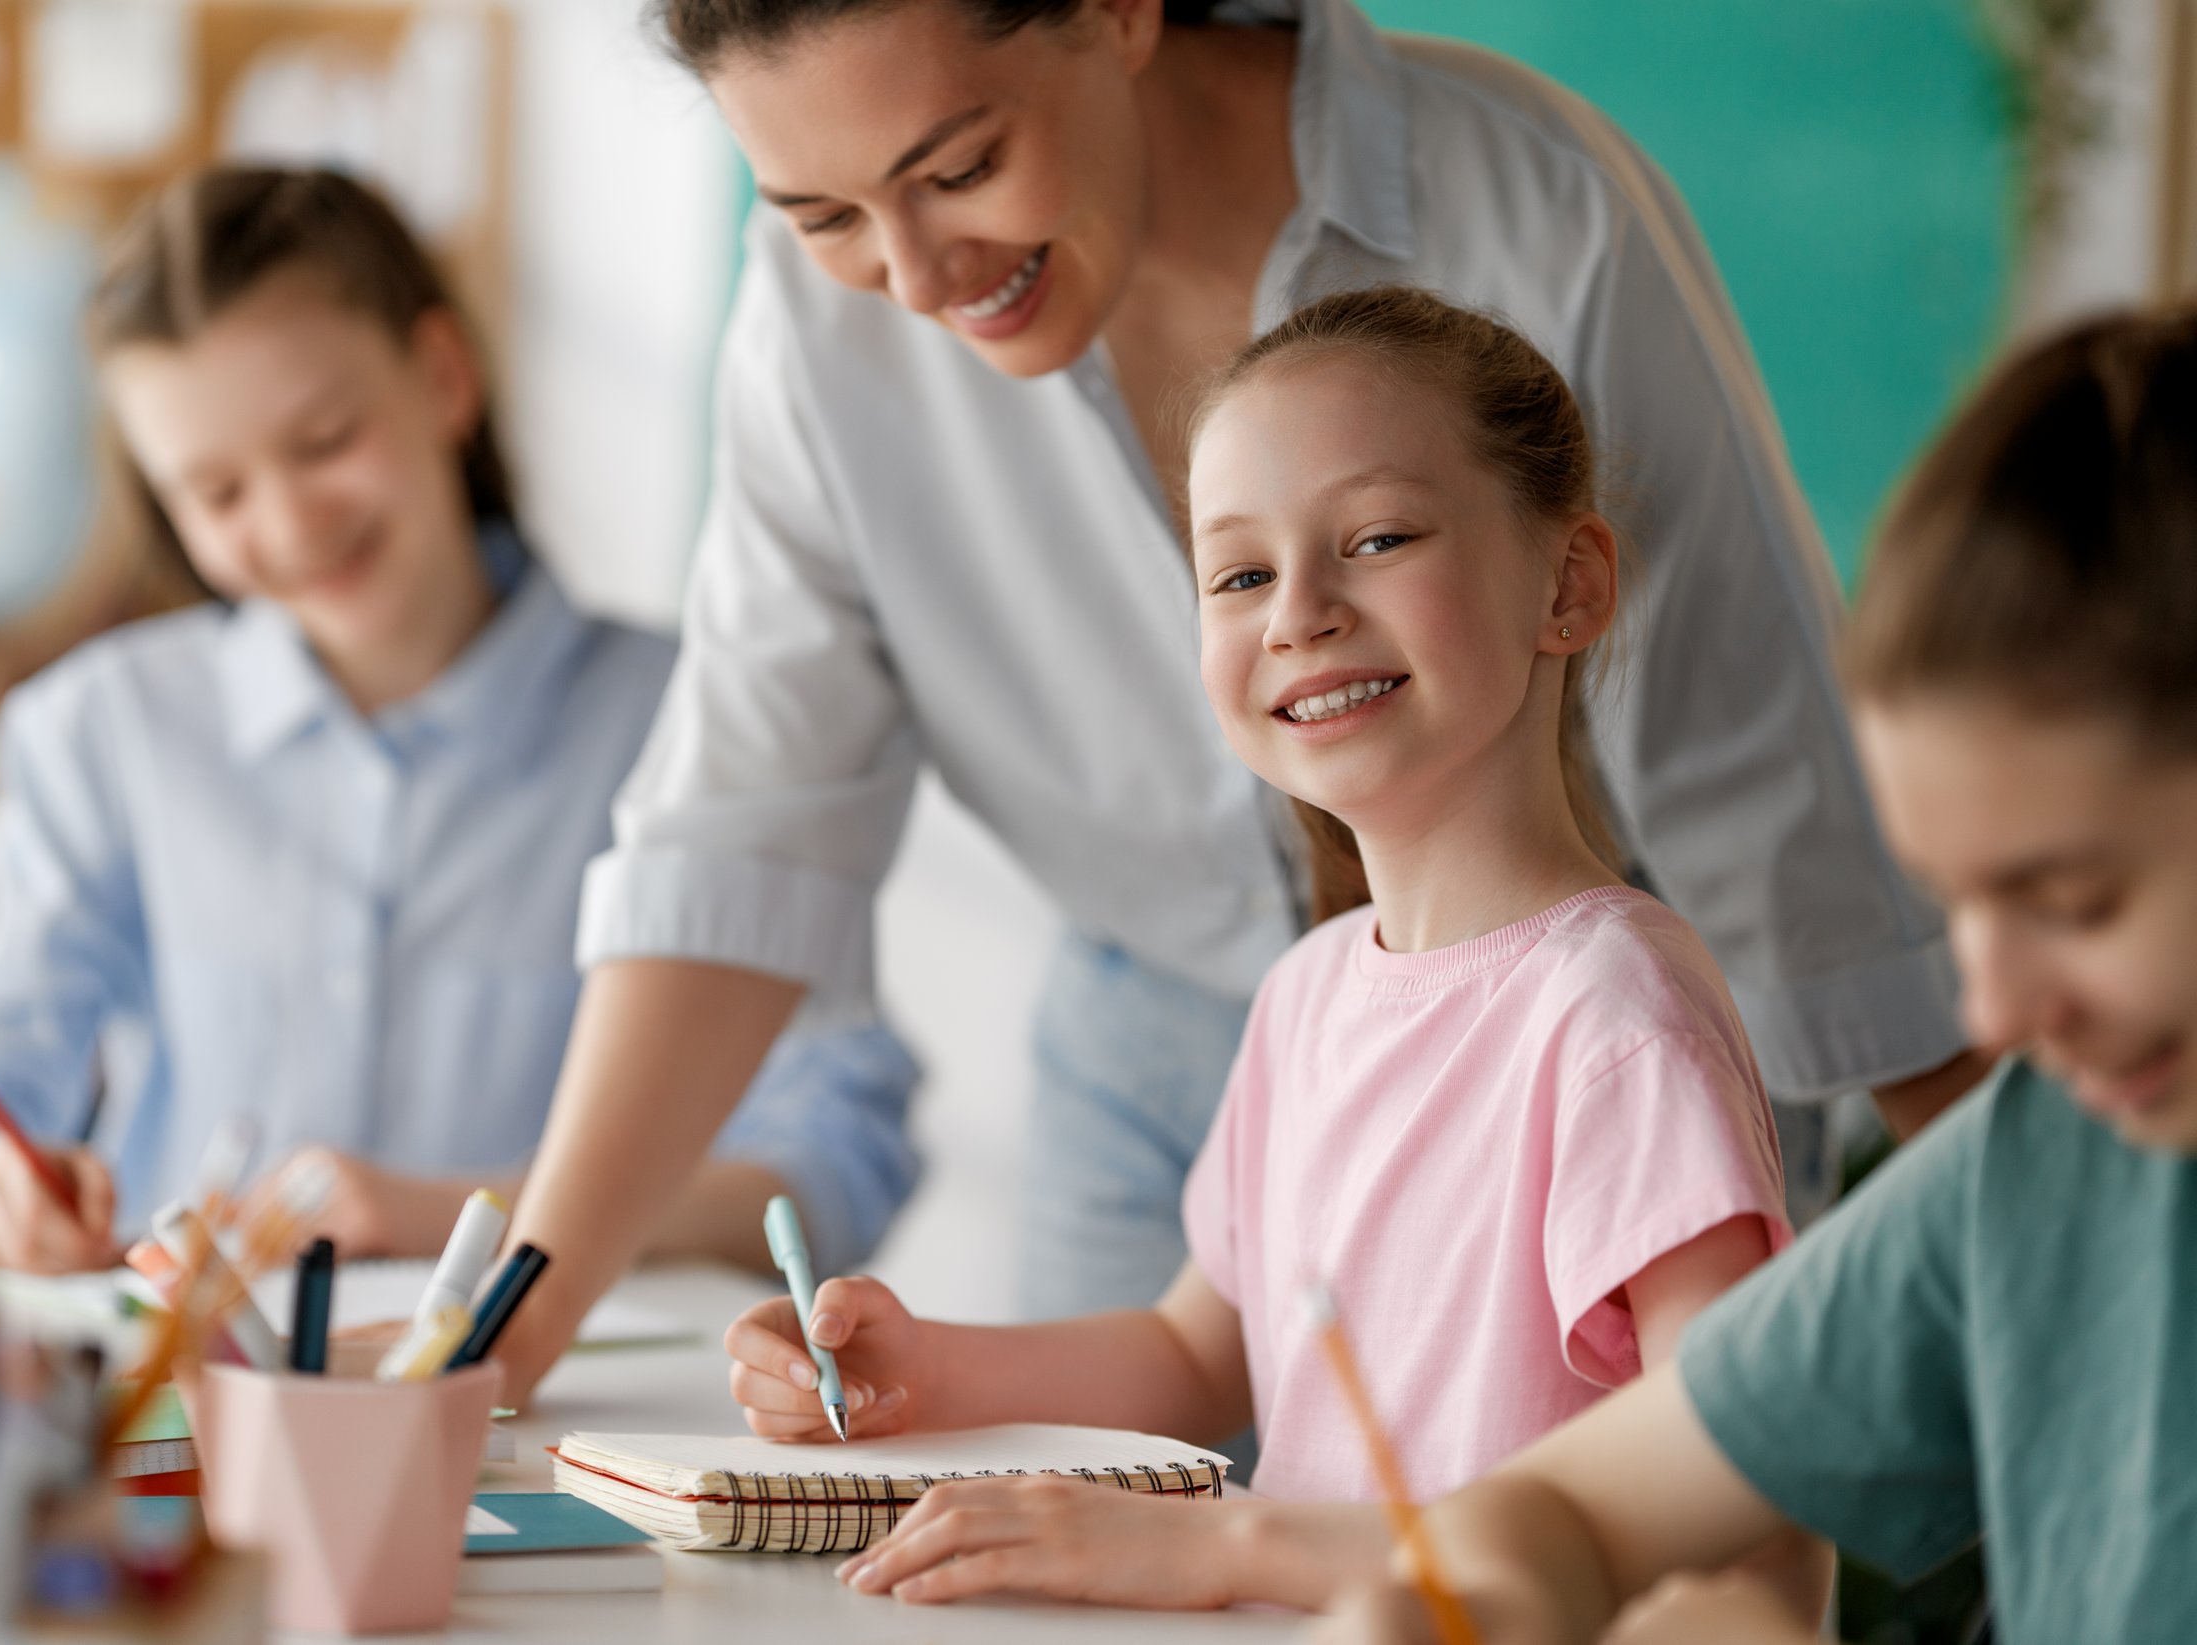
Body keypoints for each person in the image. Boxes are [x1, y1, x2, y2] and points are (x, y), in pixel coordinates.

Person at [495, 0, 1981, 1401]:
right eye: (819, 215)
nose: (918, 274)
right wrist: (505, 1325)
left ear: (1125, 11)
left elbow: (1773, 788)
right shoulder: (814, 333)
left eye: (959, 168)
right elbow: (742, 830)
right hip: (1161, 1031)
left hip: (1550, 1054)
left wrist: (2052, 1288)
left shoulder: (1528, 205)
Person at [722, 289, 1824, 1620]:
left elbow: (1752, 1534)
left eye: (1376, 538)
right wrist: (915, 1369)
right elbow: (1198, 1353)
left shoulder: (1614, 1018)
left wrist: (1225, 1548)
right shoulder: (1308, 996)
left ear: (1567, 583)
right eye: (1240, 573)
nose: (1298, 612)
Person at [0, 167, 920, 1280]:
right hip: (195, 1425)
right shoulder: (105, 731)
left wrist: (467, 1218)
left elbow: (837, 1153)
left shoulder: (693, 724)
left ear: (442, 377)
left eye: (325, 440)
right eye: (217, 492)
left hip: (562, 1418)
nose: (290, 521)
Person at [1319, 307, 2197, 1644]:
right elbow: (1566, 1511)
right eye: (1955, 905)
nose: (1996, 1012)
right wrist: (1500, 1592)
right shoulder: (2049, 1164)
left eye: (2073, 900)